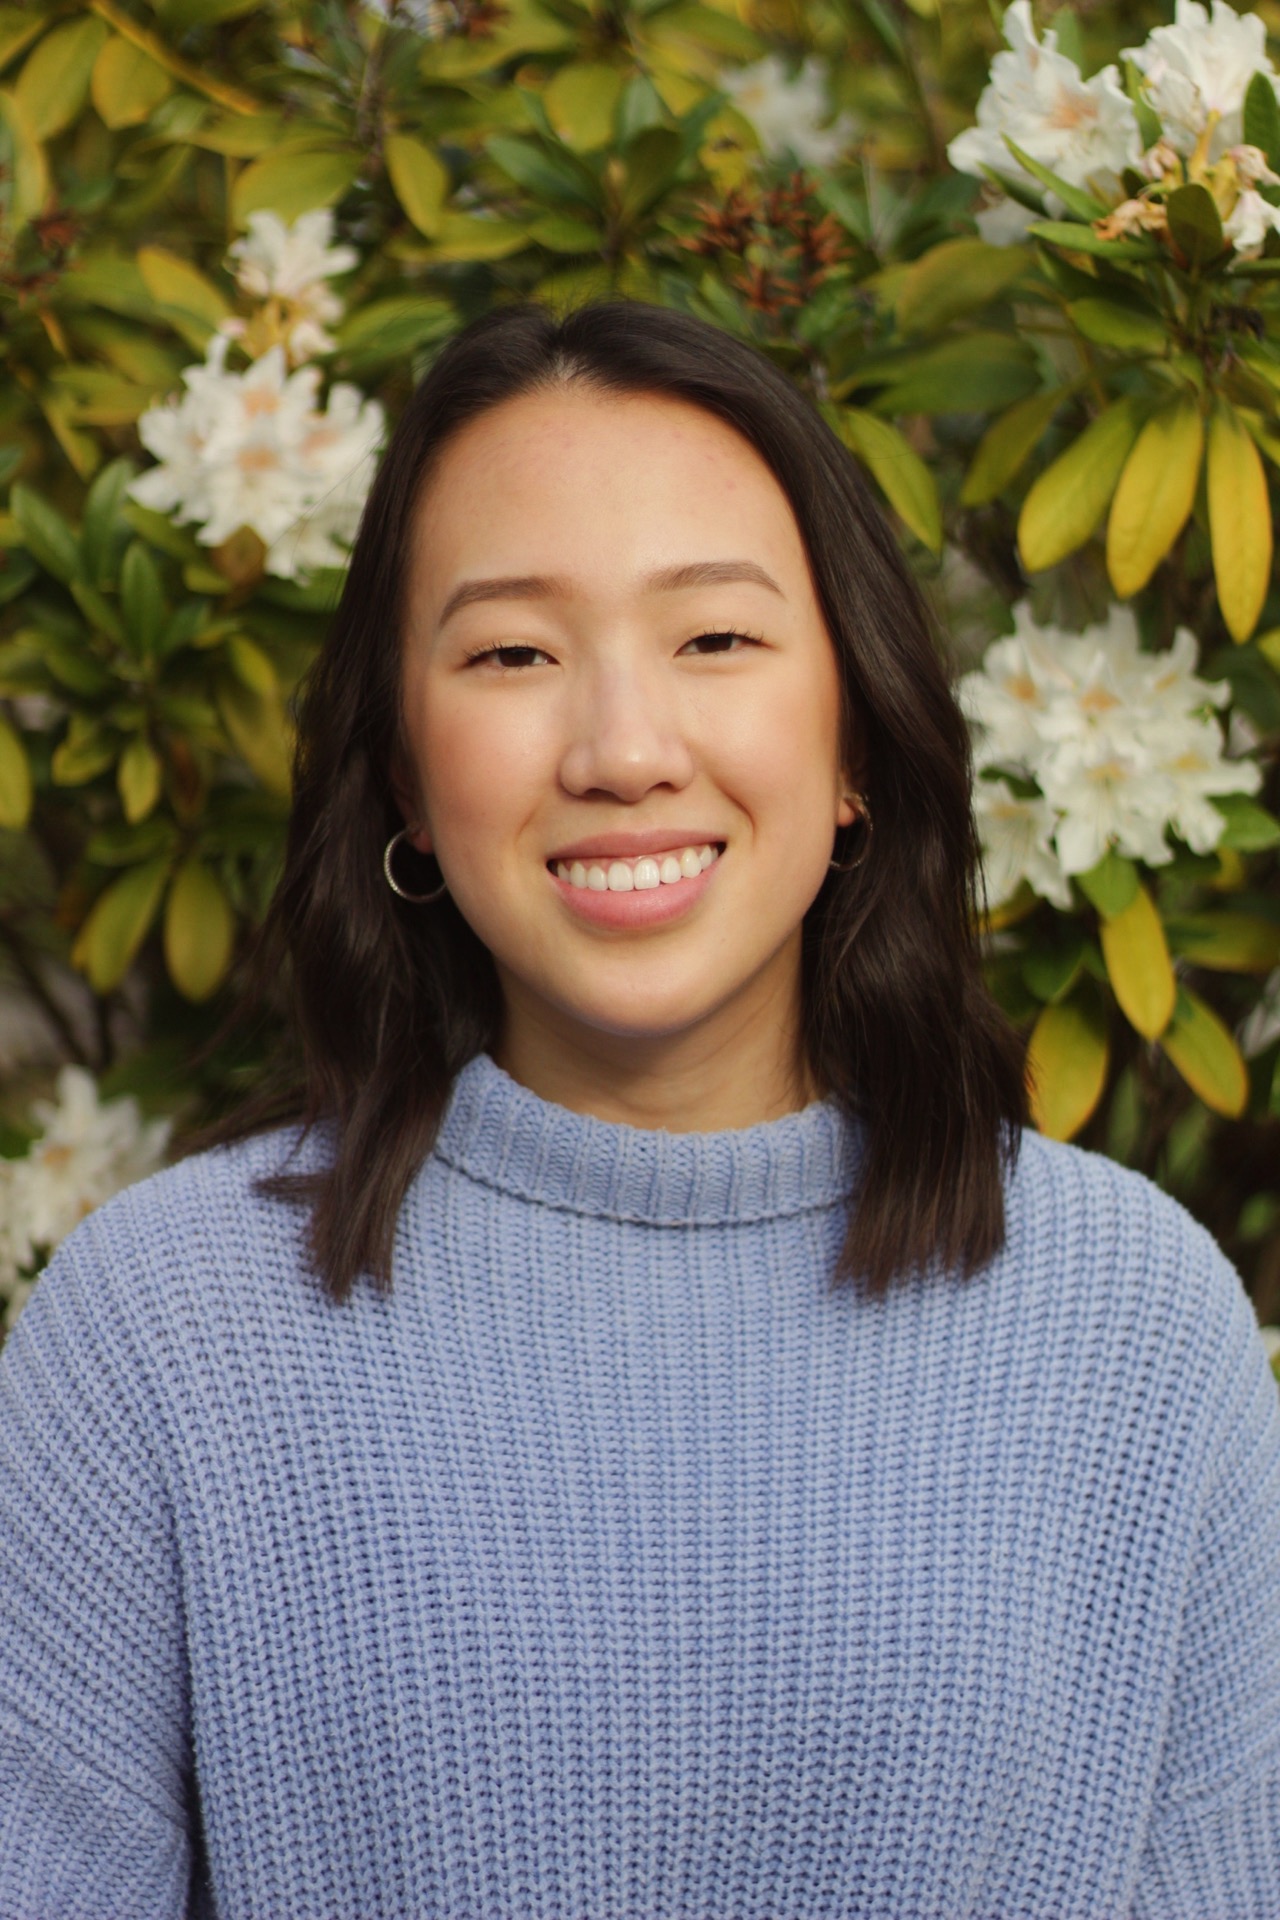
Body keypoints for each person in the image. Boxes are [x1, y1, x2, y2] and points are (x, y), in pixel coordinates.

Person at [1, 298, 1278, 1920]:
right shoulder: (156, 1334)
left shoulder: (1139, 1332)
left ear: (855, 741)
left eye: (716, 638)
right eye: (512, 653)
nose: (621, 749)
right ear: (404, 770)